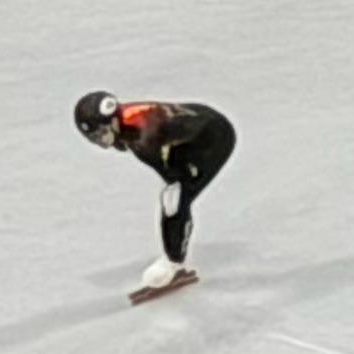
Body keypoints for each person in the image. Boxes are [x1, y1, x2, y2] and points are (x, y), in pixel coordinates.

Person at [74, 93, 236, 297]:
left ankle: (174, 264)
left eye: (102, 133)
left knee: (173, 201)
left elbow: (173, 176)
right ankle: (175, 257)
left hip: (215, 138)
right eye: (94, 137)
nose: (101, 141)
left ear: (113, 121)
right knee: (174, 196)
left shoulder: (142, 139)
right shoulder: (126, 121)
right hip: (194, 130)